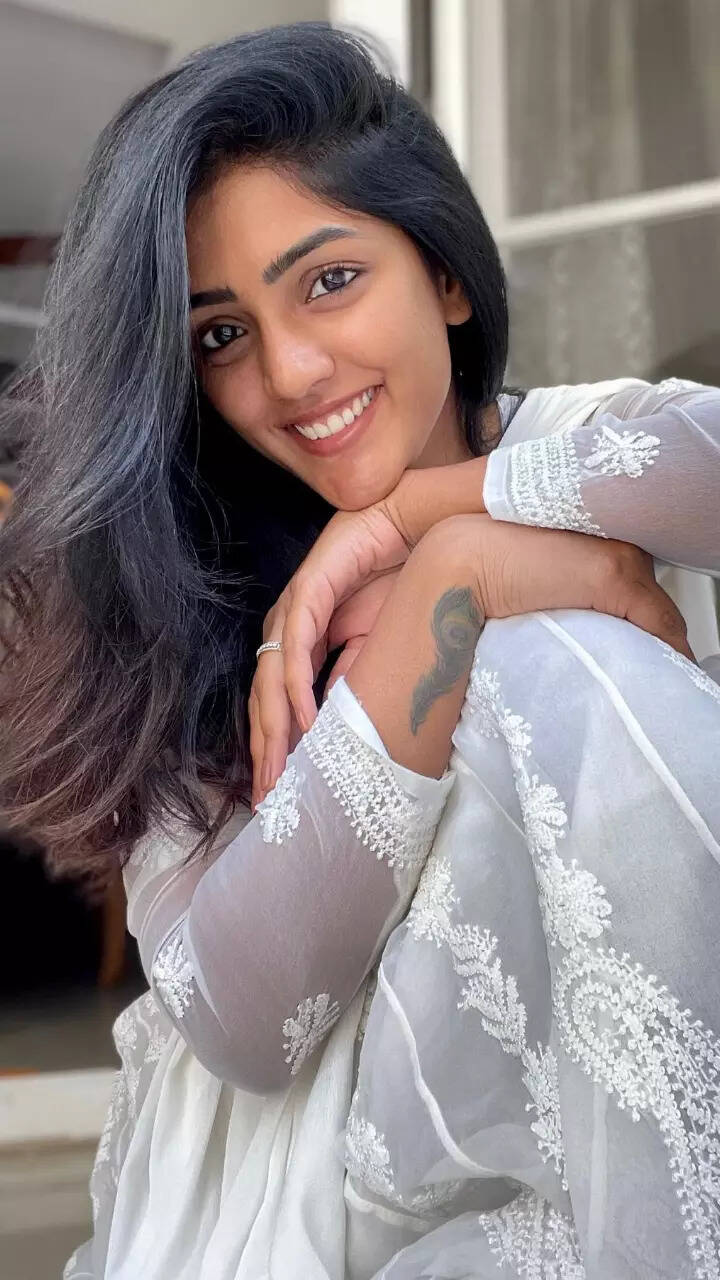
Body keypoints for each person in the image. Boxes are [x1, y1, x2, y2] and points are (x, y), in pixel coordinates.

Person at [0, 23, 717, 1280]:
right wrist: (456, 590)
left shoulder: (582, 446)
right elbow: (243, 1018)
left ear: (444, 274)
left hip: (603, 1163)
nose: (289, 370)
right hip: (305, 1204)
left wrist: (421, 523)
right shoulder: (186, 596)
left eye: (328, 279)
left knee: (564, 662)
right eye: (221, 335)